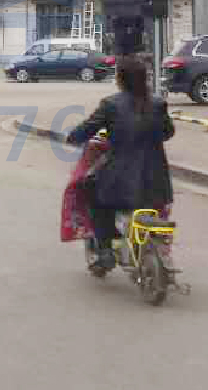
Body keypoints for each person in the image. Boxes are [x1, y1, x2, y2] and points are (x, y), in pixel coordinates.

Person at [63, 55, 174, 271]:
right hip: (157, 180)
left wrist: (71, 137)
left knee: (92, 192)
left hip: (119, 180)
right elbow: (168, 132)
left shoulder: (111, 104)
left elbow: (86, 129)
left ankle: (105, 250)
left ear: (120, 79)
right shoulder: (158, 103)